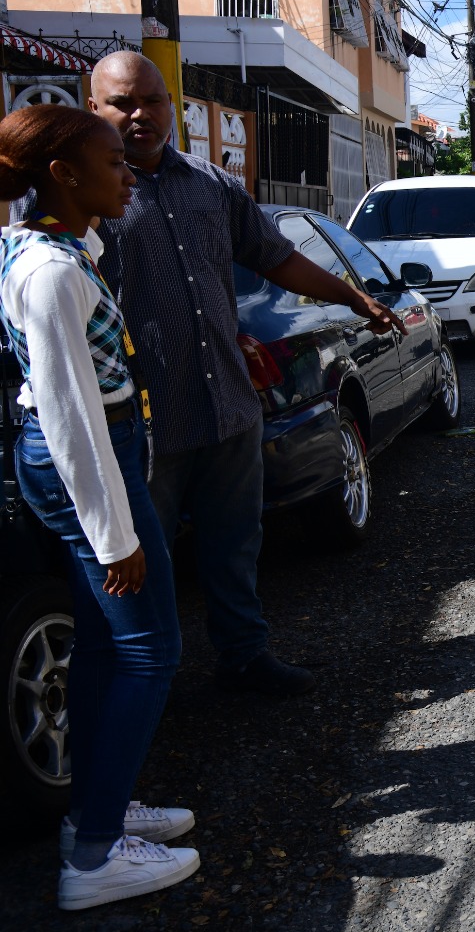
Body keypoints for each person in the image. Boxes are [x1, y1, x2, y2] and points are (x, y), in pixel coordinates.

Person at [17, 51, 406, 697]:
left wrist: (351, 295)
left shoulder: (210, 183)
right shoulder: (81, 200)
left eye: (152, 100)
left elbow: (274, 255)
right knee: (143, 567)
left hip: (226, 403)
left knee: (234, 546)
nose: (139, 115)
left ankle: (244, 658)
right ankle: (143, 691)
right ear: (94, 111)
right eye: (122, 103)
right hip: (144, 425)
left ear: (173, 105)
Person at [0, 104, 199, 910]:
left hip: (92, 452)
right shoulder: (47, 272)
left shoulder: (54, 247)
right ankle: (92, 860)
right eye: (114, 162)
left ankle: (99, 808)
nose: (129, 174)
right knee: (151, 650)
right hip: (86, 458)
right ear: (64, 175)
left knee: (102, 647)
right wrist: (114, 534)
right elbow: (69, 412)